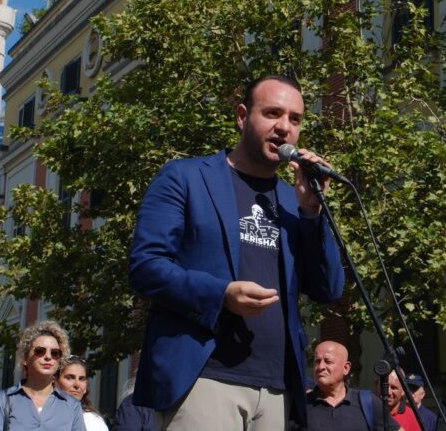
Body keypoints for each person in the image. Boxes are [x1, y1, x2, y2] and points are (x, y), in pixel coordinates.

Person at [128, 75, 346, 430]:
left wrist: (313, 212)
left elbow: (329, 289)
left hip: (278, 388)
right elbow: (145, 266)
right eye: (272, 113)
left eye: (295, 119)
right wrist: (221, 294)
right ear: (243, 117)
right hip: (206, 378)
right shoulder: (184, 177)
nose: (284, 127)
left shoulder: (296, 201)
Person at [0, 320, 84, 431]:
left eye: (54, 353)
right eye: (40, 351)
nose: (48, 357)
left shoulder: (72, 406)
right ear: (25, 358)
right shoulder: (2, 400)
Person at [302, 340, 398, 430]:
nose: (321, 367)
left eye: (328, 361)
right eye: (317, 361)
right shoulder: (302, 405)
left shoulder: (368, 402)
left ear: (346, 368)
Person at [57, 356, 110, 431]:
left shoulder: (93, 422)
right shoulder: (41, 413)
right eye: (70, 377)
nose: (77, 385)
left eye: (81, 379)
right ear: (55, 381)